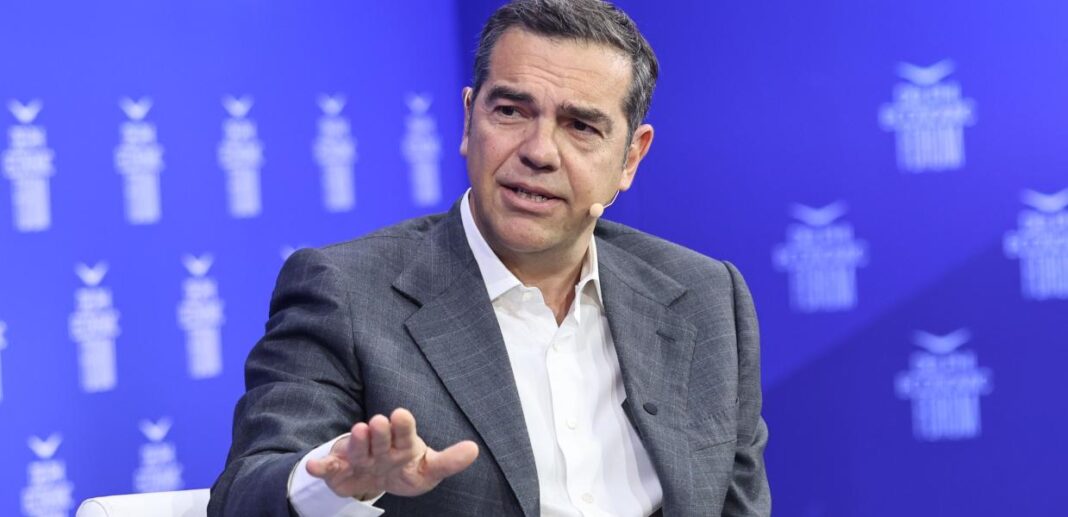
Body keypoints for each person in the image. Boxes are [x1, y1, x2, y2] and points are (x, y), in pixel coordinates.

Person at [208, 0, 770, 515]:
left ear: (630, 157)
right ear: (468, 119)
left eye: (580, 126)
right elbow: (244, 492)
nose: (539, 152)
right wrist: (334, 483)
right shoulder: (347, 292)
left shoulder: (706, 297)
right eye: (511, 111)